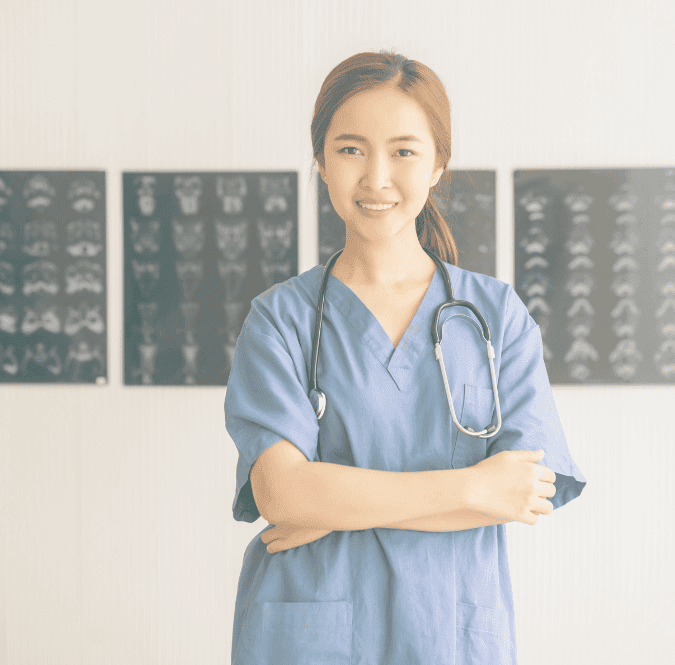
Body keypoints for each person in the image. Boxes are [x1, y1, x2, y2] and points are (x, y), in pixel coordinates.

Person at [224, 50, 585, 665]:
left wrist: (334, 508)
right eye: (350, 149)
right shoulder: (280, 320)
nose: (376, 178)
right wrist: (473, 487)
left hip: (449, 629)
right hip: (311, 637)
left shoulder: (496, 316)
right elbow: (282, 496)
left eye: (404, 151)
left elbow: (523, 491)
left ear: (438, 163)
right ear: (320, 161)